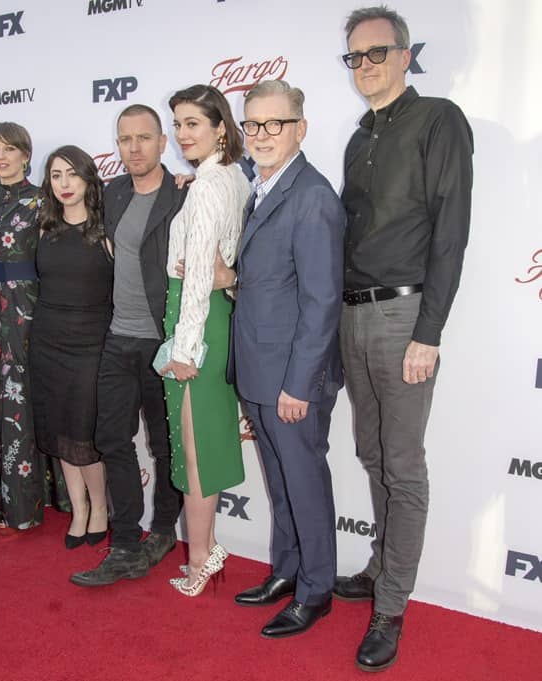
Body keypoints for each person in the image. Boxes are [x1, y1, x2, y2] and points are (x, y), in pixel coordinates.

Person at [336, 6, 473, 672]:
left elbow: (450, 231)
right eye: (355, 57)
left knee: (402, 465)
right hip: (352, 315)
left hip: (404, 316)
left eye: (377, 52)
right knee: (370, 451)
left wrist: (430, 330)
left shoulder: (438, 119)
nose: (366, 66)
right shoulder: (358, 134)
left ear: (406, 53)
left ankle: (391, 604)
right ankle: (380, 564)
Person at [230, 80, 345, 637]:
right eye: (252, 124)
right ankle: (288, 570)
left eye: (274, 124)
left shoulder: (313, 195)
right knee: (279, 483)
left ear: (300, 127)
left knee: (304, 483)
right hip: (258, 369)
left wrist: (300, 385)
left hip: (292, 381)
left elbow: (322, 302)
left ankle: (317, 589)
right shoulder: (263, 186)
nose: (261, 135)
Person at [69, 104, 187, 586]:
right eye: (124, 139)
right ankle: (123, 541)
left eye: (144, 138)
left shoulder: (182, 195)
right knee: (113, 438)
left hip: (162, 343)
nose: (133, 147)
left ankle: (161, 532)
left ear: (163, 142)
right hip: (118, 338)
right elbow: (67, 200)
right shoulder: (112, 192)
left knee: (164, 446)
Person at [159, 83, 250, 597]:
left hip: (197, 326)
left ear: (220, 126)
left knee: (196, 455)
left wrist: (184, 349)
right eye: (177, 123)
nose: (181, 133)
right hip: (211, 318)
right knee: (203, 449)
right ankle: (208, 548)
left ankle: (199, 564)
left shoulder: (208, 187)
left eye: (192, 123)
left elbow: (197, 278)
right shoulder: (228, 178)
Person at [0, 121, 69, 532]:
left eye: (10, 149)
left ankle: (28, 504)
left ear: (26, 155)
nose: (2, 157)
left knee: (22, 401)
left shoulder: (44, 203)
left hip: (26, 312)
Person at [29, 145, 112, 549]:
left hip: (91, 345)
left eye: (72, 174)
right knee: (60, 429)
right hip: (47, 342)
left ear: (88, 179)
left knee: (84, 434)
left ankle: (100, 508)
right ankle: (77, 509)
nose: (64, 183)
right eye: (56, 175)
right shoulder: (44, 226)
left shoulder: (105, 229)